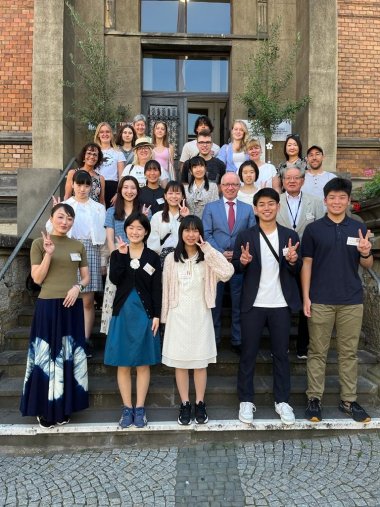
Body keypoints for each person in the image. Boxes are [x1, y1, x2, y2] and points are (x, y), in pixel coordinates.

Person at [301, 177, 373, 423]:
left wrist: (365, 252)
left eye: (342, 197)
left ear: (348, 201)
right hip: (321, 298)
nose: (337, 201)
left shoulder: (358, 229)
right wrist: (306, 297)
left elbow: (367, 263)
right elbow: (307, 264)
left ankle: (349, 401)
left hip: (351, 300)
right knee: (317, 352)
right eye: (332, 197)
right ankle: (314, 399)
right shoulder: (313, 230)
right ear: (325, 200)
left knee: (348, 353)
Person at [233, 188, 302, 425]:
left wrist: (293, 261)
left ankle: (282, 401)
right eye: (261, 204)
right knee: (248, 354)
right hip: (254, 303)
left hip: (280, 303)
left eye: (271, 203)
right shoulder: (245, 236)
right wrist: (242, 262)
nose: (266, 208)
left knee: (281, 355)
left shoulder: (290, 235)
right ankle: (246, 400)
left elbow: (296, 268)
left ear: (278, 206)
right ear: (255, 208)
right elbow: (236, 268)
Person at [20, 203, 90, 428]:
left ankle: (63, 407)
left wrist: (77, 287)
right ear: (52, 218)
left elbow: (86, 277)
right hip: (48, 306)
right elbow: (38, 279)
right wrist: (49, 255)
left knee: (67, 357)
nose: (65, 222)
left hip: (72, 306)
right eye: (61, 217)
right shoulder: (40, 244)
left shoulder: (78, 245)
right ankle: (44, 409)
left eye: (69, 218)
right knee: (46, 357)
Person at [161, 215, 234, 425]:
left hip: (201, 315)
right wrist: (164, 318)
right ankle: (185, 403)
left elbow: (228, 272)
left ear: (200, 233)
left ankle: (200, 403)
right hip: (178, 315)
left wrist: (208, 250)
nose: (191, 235)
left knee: (200, 363)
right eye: (187, 230)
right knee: (181, 364)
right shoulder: (170, 259)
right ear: (181, 232)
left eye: (195, 230)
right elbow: (166, 290)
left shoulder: (207, 258)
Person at [104, 212, 162, 428]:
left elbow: (157, 288)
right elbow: (115, 279)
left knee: (144, 363)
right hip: (123, 312)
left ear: (146, 231)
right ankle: (127, 408)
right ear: (125, 230)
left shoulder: (153, 257)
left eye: (139, 228)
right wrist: (120, 257)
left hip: (145, 314)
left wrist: (157, 314)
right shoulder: (118, 254)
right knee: (123, 362)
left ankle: (140, 408)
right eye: (131, 228)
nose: (135, 231)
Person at [50, 170, 106, 357]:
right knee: (67, 296)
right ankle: (67, 338)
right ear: (72, 185)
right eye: (79, 184)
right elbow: (52, 229)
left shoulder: (99, 207)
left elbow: (102, 236)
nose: (82, 189)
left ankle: (84, 340)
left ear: (91, 187)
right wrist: (56, 212)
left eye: (86, 185)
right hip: (68, 249)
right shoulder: (65, 205)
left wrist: (104, 260)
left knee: (88, 300)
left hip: (91, 249)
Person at [203, 172, 256, 352]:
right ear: (220, 186)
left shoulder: (248, 209)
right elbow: (206, 233)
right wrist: (220, 252)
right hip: (216, 264)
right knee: (215, 304)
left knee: (238, 304)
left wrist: (236, 253)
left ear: (239, 186)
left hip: (238, 263)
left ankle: (237, 340)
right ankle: (214, 340)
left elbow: (251, 234)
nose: (230, 187)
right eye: (226, 184)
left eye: (234, 184)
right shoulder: (210, 208)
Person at [276, 165, 325, 359]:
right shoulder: (276, 201)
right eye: (288, 178)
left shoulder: (314, 202)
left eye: (296, 178)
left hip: (307, 259)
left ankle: (303, 347)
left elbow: (320, 229)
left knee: (307, 301)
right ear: (283, 181)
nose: (292, 181)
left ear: (303, 181)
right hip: (281, 259)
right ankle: (282, 345)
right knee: (282, 304)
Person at [101, 175, 147, 334]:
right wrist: (117, 258)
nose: (129, 191)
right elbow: (110, 237)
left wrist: (146, 219)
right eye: (125, 187)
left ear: (137, 190)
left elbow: (147, 235)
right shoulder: (112, 211)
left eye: (133, 188)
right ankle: (112, 331)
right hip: (119, 259)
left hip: (139, 258)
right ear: (120, 190)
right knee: (114, 295)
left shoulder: (143, 210)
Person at [148, 181, 190, 266]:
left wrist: (187, 218)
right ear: (165, 196)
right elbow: (152, 243)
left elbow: (191, 238)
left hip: (184, 261)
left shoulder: (189, 217)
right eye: (170, 193)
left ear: (182, 196)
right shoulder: (157, 216)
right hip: (162, 261)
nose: (174, 196)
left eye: (177, 193)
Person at [94, 122, 126, 208]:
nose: (105, 134)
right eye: (102, 132)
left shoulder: (118, 153)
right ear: (98, 135)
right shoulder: (93, 152)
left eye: (107, 132)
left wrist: (118, 193)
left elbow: (121, 176)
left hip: (113, 188)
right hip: (96, 186)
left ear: (111, 134)